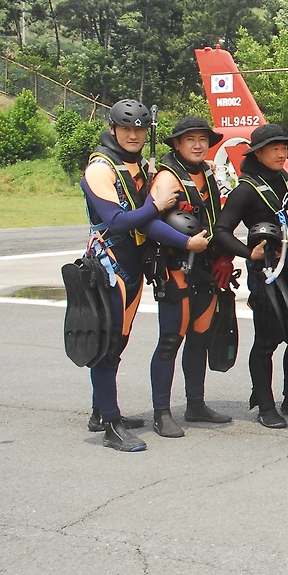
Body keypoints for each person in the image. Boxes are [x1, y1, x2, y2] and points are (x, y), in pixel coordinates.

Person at [77, 100, 188, 451]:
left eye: (140, 129)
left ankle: (101, 411)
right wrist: (156, 205)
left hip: (134, 265)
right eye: (127, 128)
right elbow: (117, 220)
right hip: (109, 265)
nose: (133, 134)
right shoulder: (100, 168)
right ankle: (110, 425)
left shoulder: (137, 164)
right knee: (108, 345)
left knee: (119, 341)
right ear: (113, 129)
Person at [212, 124, 288, 429]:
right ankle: (265, 403)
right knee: (266, 340)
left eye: (284, 147)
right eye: (274, 148)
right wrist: (250, 254)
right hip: (266, 275)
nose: (281, 153)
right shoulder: (246, 189)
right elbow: (221, 231)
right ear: (258, 153)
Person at [146, 117, 234, 438]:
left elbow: (220, 218)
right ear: (177, 145)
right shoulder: (168, 179)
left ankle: (195, 404)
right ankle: (161, 412)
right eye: (190, 140)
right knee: (170, 341)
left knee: (200, 338)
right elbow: (148, 223)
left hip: (206, 269)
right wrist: (185, 243)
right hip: (176, 269)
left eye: (203, 139)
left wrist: (225, 255)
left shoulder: (209, 173)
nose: (198, 145)